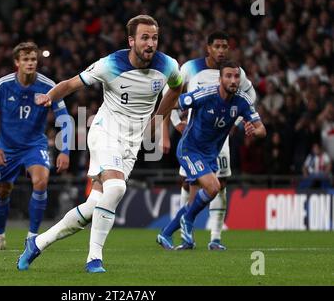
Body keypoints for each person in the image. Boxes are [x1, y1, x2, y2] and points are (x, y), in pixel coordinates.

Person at [17, 15, 183, 273]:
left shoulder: (168, 66)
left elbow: (176, 88)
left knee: (95, 206)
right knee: (116, 188)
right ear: (131, 41)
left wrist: (159, 119)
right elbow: (71, 84)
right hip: (105, 132)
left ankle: (37, 243)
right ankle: (94, 259)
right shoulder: (111, 64)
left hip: (131, 144)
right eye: (145, 38)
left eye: (154, 37)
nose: (151, 43)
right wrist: (49, 96)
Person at [157, 31, 257, 251]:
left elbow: (250, 97)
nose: (221, 50)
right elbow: (170, 96)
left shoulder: (236, 73)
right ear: (208, 48)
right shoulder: (190, 68)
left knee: (219, 186)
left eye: (225, 46)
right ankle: (183, 234)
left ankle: (215, 237)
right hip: (194, 139)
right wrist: (171, 126)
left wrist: (239, 121)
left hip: (219, 142)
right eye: (217, 46)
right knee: (193, 185)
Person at [0, 42, 72, 251]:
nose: (30, 63)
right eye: (26, 59)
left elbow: (65, 119)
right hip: (7, 148)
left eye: (33, 59)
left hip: (34, 145)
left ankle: (32, 238)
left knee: (41, 181)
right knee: (3, 191)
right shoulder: (4, 85)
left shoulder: (48, 86)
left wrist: (65, 150)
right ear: (17, 62)